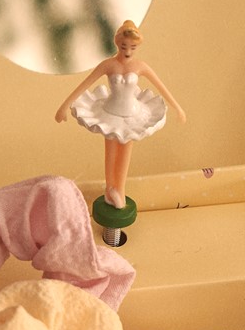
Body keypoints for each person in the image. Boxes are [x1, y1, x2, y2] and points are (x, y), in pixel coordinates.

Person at [55, 20, 186, 212]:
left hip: (132, 114)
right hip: (109, 112)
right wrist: (64, 106)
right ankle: (110, 188)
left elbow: (161, 87)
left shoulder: (140, 66)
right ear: (117, 43)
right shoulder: (108, 65)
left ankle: (120, 189)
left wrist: (177, 108)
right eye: (124, 46)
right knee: (110, 151)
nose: (128, 51)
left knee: (125, 151)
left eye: (133, 47)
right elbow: (84, 84)